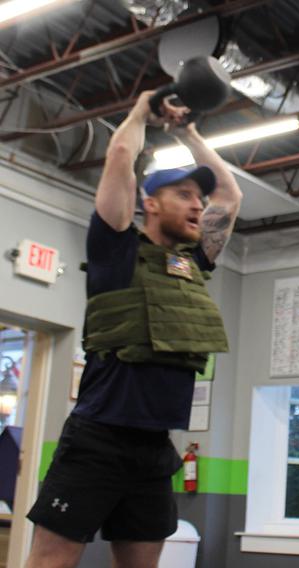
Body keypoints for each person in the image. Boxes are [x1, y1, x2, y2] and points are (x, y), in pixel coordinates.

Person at [25, 90, 242, 568]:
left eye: (197, 198)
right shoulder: (115, 250)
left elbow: (231, 195)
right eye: (183, 194)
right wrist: (143, 111)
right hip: (96, 440)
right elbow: (122, 155)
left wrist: (189, 134)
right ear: (150, 203)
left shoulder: (192, 263)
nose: (197, 205)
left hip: (154, 448)